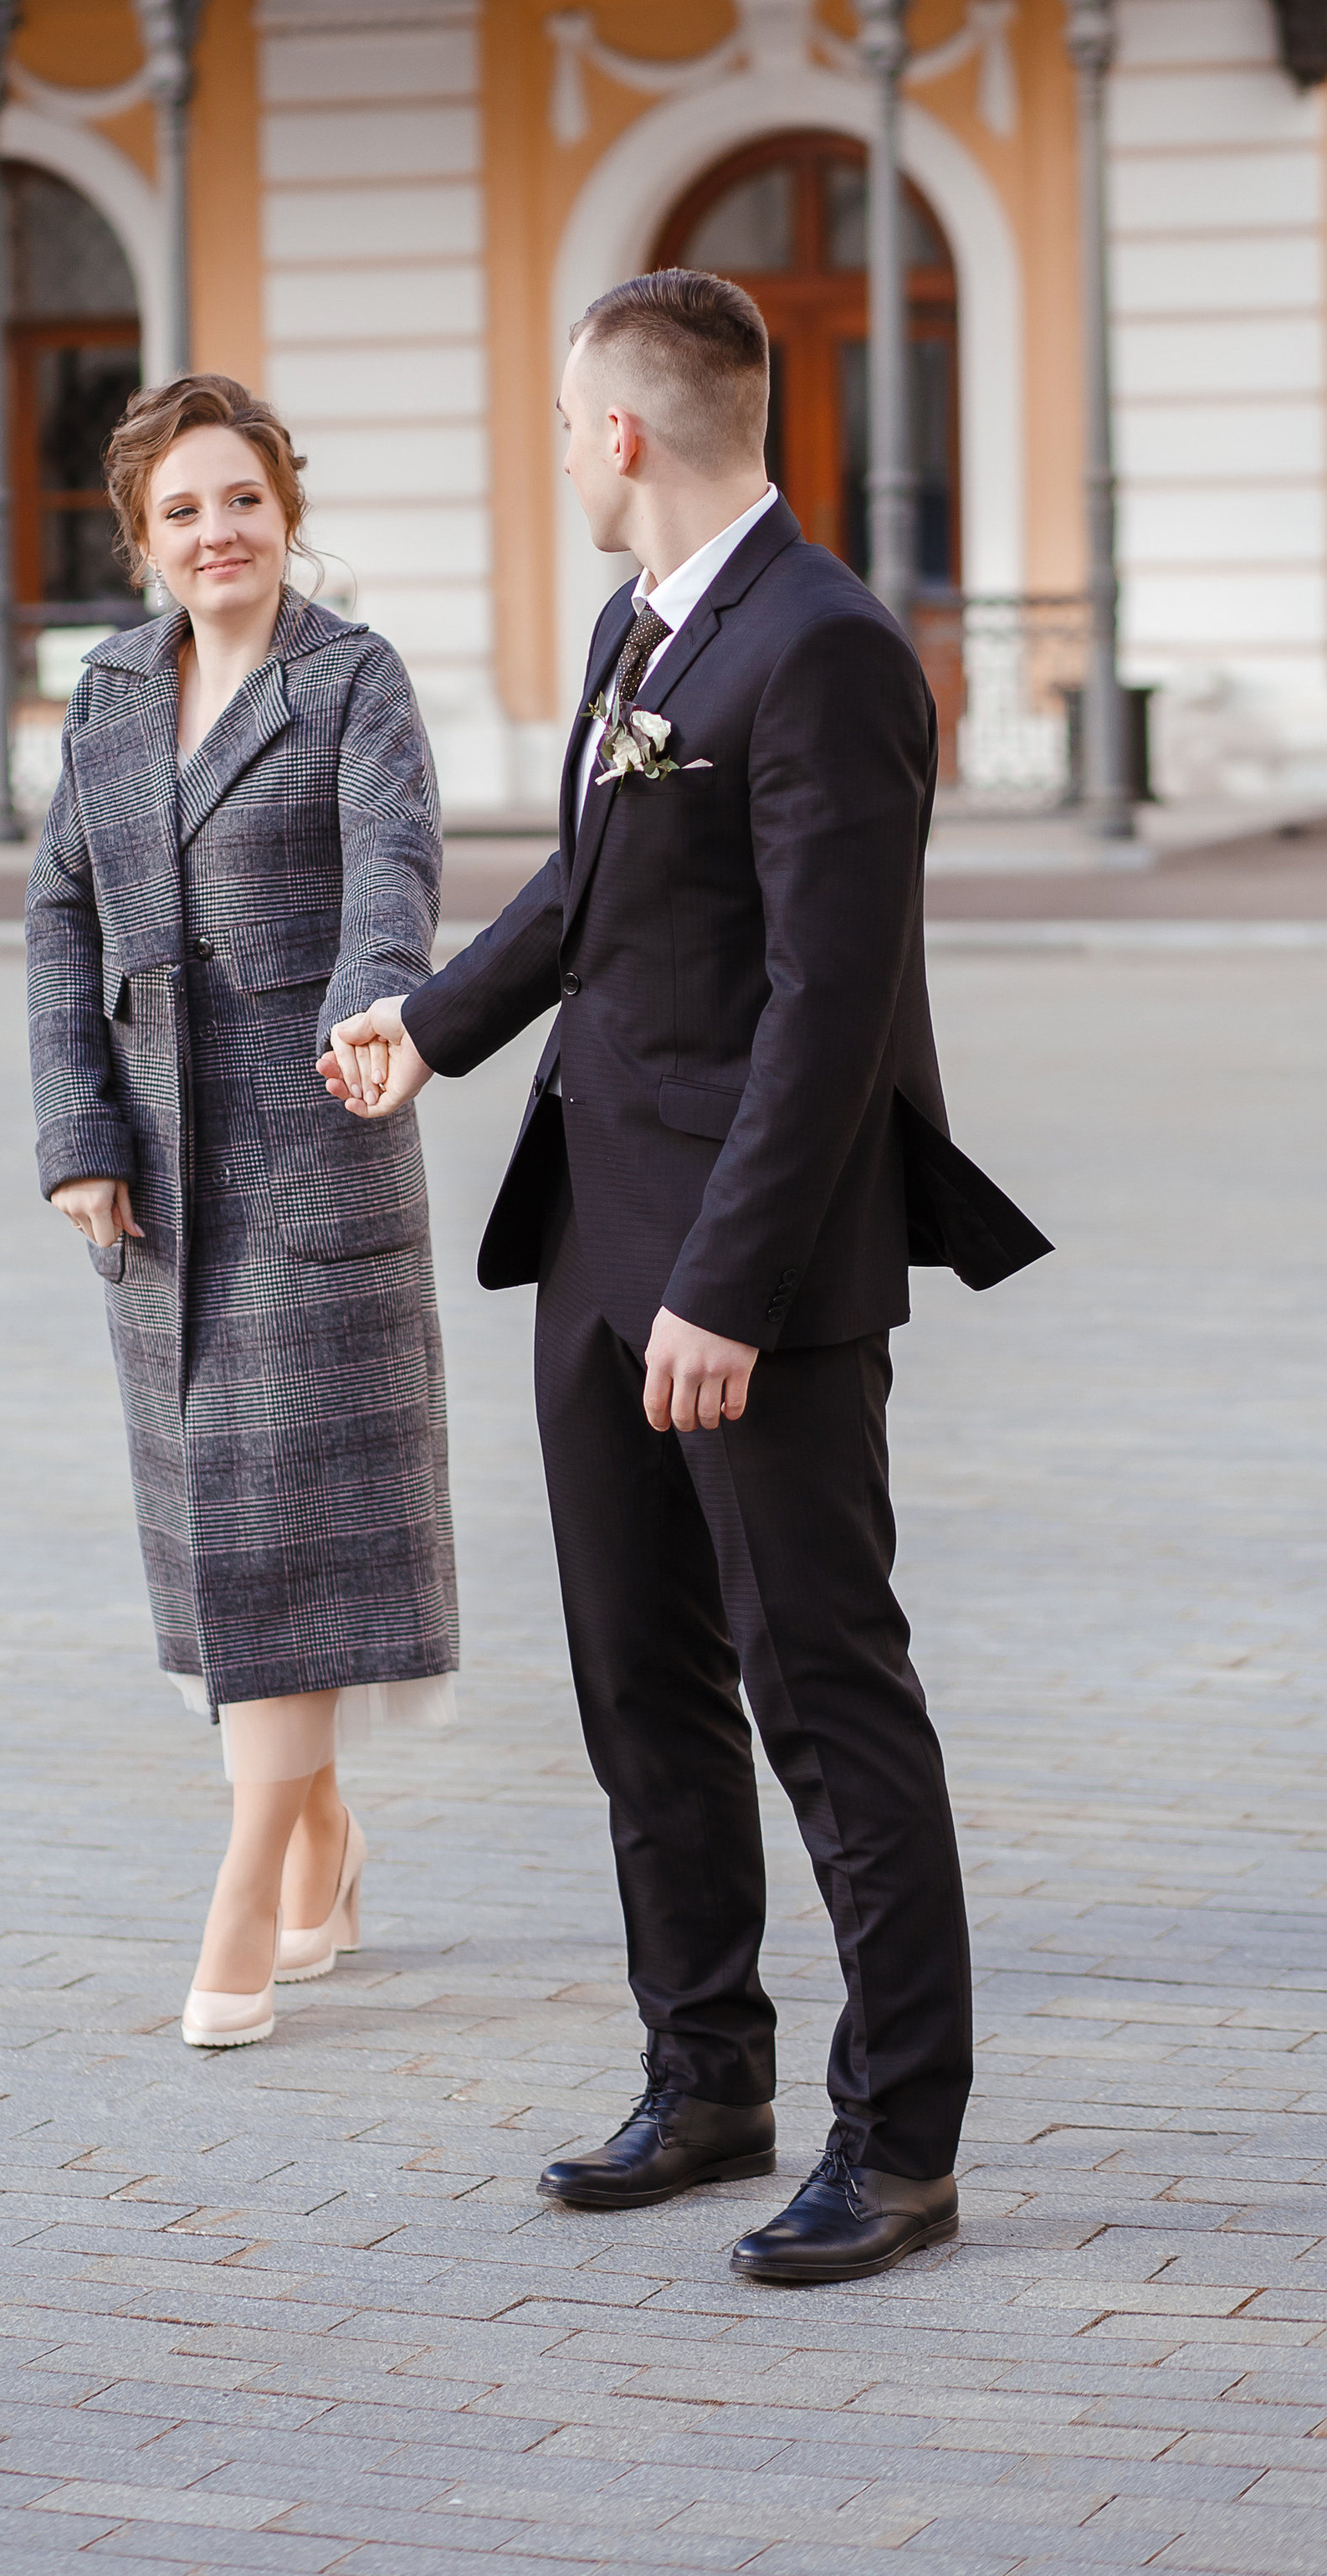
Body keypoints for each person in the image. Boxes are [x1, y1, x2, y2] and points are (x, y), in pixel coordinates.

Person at [323, 270, 1048, 2282]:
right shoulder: (636, 626)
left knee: (821, 1692)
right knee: (638, 1680)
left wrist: (723, 1288)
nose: (559, 450)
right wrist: (426, 1024)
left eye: (566, 420)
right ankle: (702, 2073)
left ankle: (897, 2142)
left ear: (624, 434)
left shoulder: (820, 651)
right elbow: (586, 884)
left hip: (752, 1278)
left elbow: (833, 1007)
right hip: (591, 1237)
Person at [27, 371, 457, 2052]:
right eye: (184, 509)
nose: (221, 533)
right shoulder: (110, 694)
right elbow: (60, 917)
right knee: (228, 1544)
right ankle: (324, 1835)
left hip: (310, 1146)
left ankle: (245, 1873)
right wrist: (75, 1132)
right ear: (141, 535)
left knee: (284, 1535)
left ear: (288, 510)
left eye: (245, 500)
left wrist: (374, 1014)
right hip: (151, 1186)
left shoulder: (351, 682)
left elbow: (393, 875)